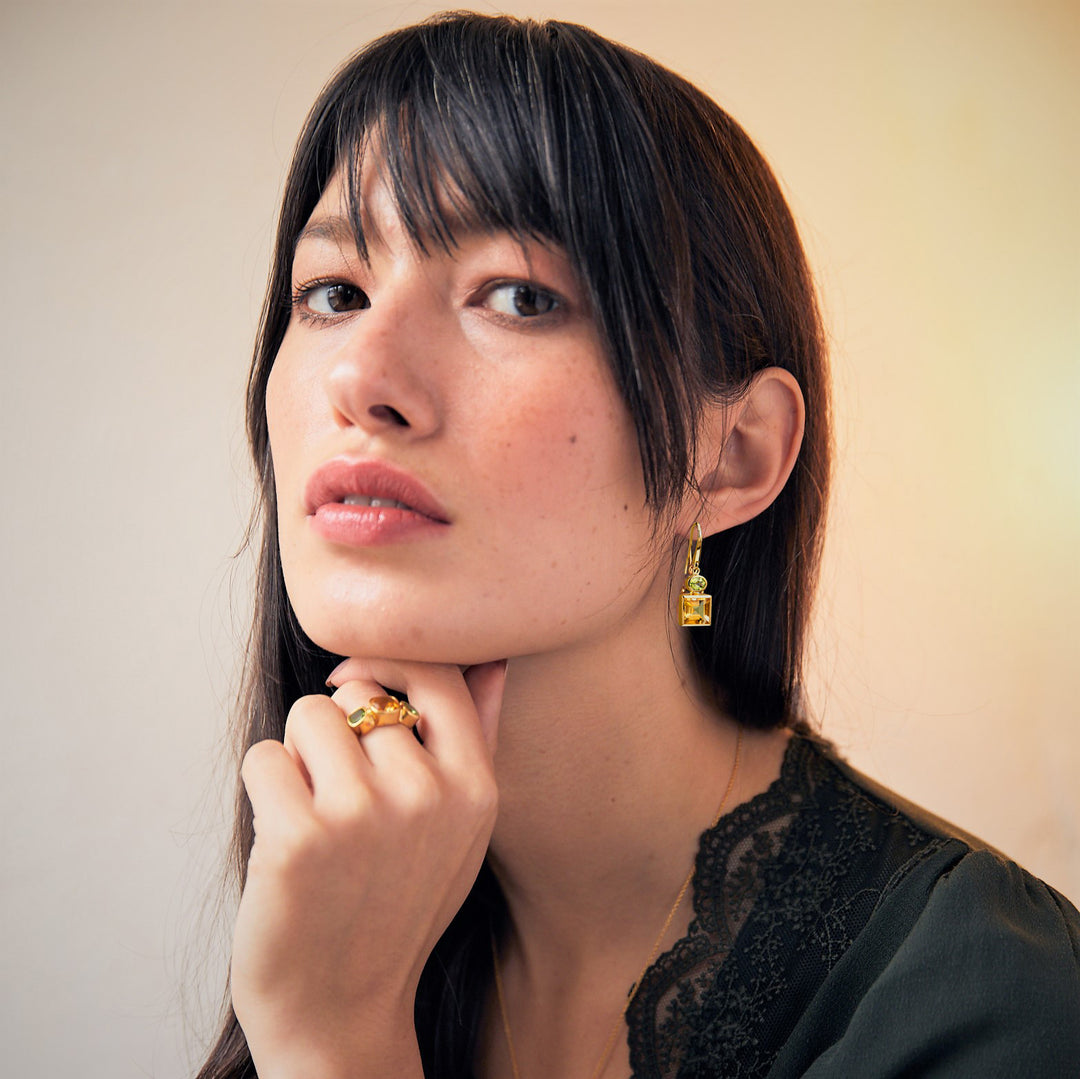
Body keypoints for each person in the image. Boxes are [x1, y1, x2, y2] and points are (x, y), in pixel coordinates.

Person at [196, 12, 1080, 1079]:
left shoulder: (993, 1001)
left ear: (734, 456)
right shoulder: (349, 897)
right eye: (333, 292)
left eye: (517, 296)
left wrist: (337, 1044)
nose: (359, 377)